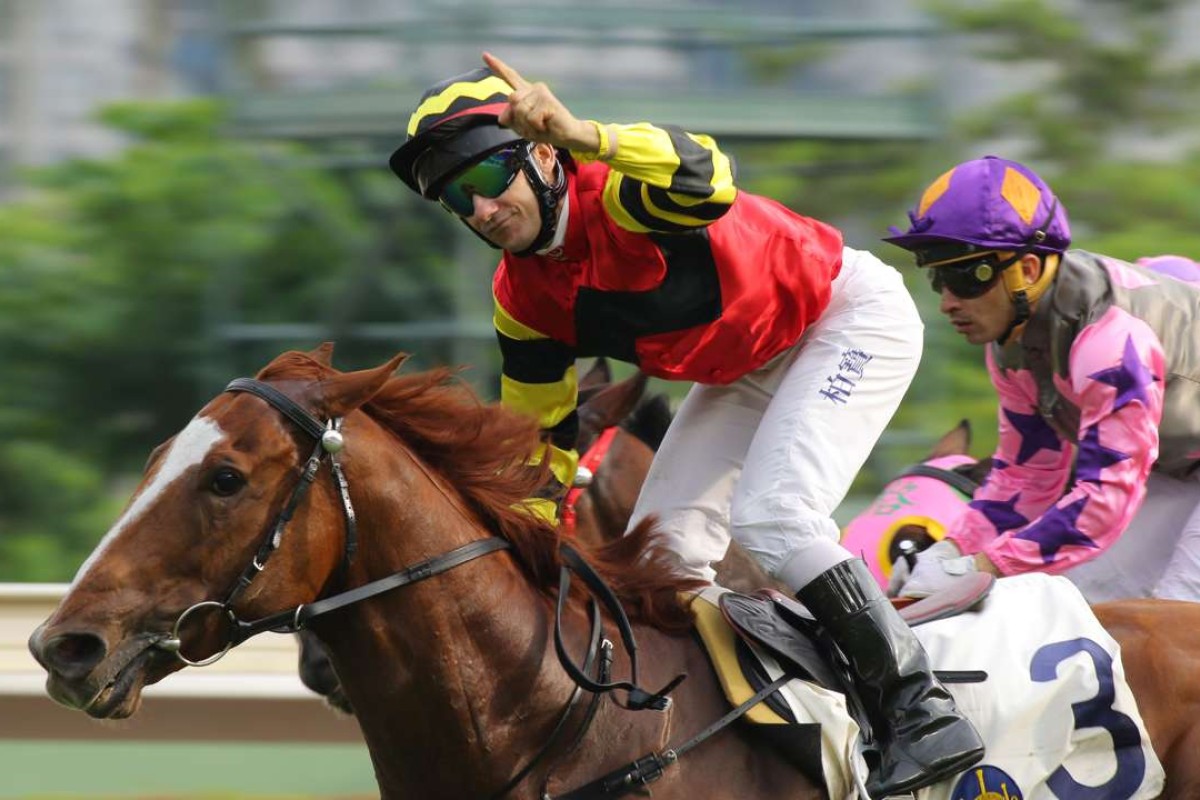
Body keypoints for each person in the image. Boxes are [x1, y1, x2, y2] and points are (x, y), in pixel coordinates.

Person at [388, 53, 983, 796]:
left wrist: (585, 134)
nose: (479, 211)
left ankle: (921, 712)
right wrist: (528, 551)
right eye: (455, 200)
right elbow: (538, 443)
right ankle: (731, 735)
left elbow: (708, 173)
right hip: (744, 367)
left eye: (484, 181)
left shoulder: (620, 196)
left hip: (844, 320)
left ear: (542, 154)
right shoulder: (520, 297)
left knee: (775, 516)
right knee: (660, 559)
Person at [883, 155, 1200, 603]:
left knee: (1171, 618)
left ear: (1028, 270)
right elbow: (1026, 479)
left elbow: (1106, 497)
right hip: (1180, 466)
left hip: (1175, 466)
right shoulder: (1012, 343)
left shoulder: (1109, 340)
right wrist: (950, 551)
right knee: (1086, 605)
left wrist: (982, 566)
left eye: (966, 277)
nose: (948, 303)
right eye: (939, 279)